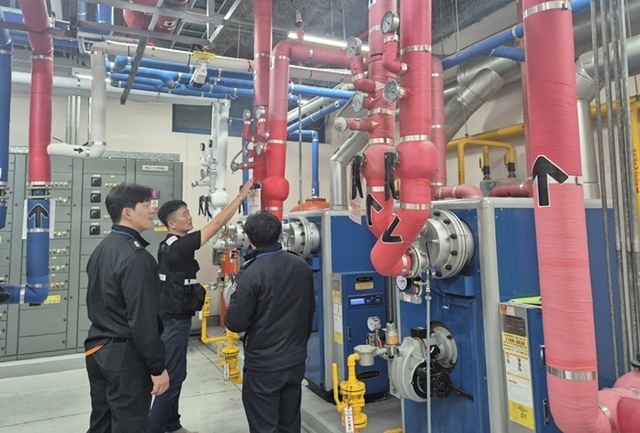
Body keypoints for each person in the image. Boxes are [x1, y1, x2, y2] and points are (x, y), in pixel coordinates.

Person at [148, 179, 254, 433]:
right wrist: (240, 198)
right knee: (172, 375)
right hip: (175, 320)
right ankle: (155, 427)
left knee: (177, 373)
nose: (189, 217)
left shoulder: (168, 245)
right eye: (184, 214)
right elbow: (217, 224)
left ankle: (171, 424)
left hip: (173, 316)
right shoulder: (179, 245)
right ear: (172, 224)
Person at [84, 183, 170, 433]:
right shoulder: (137, 258)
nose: (152, 210)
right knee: (130, 424)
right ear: (128, 212)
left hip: (98, 349)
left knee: (102, 422)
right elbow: (142, 320)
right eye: (146, 205)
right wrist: (157, 367)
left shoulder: (103, 248)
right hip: (124, 358)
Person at [225, 211, 315, 433]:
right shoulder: (301, 266)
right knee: (289, 422)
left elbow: (235, 323)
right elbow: (309, 311)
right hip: (295, 360)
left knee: (264, 424)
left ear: (249, 238)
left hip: (264, 365)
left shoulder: (250, 273)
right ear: (279, 233)